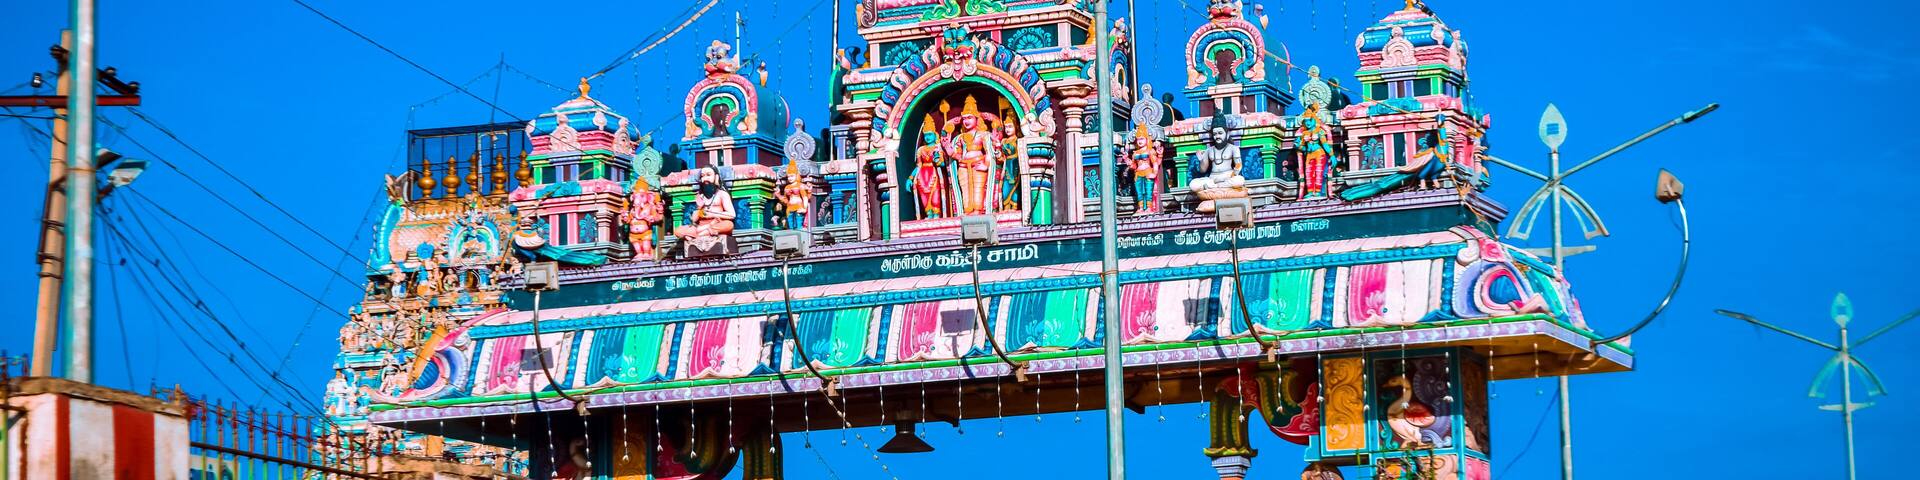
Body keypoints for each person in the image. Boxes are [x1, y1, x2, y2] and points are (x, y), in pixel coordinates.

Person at [673, 168, 737, 243]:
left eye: (708, 175)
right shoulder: (700, 196)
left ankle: (697, 236)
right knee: (678, 231)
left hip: (717, 223)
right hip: (701, 226)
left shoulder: (722, 194)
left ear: (716, 177)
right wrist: (699, 207)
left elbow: (732, 215)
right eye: (702, 176)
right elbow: (694, 220)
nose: (705, 178)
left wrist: (711, 214)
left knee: (729, 225)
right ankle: (703, 233)